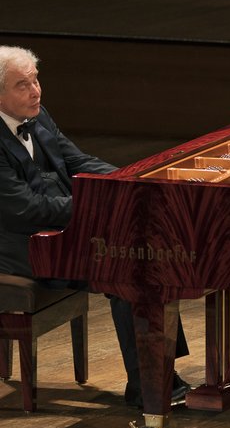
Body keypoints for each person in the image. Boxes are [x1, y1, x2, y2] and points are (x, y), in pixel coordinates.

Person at [0, 44, 190, 408]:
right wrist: (95, 208)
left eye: (36, 80)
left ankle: (159, 372)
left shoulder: (38, 117)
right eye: (22, 85)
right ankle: (146, 384)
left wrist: (128, 183)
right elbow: (23, 209)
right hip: (21, 249)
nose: (35, 90)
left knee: (150, 255)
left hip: (61, 232)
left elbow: (77, 160)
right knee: (127, 270)